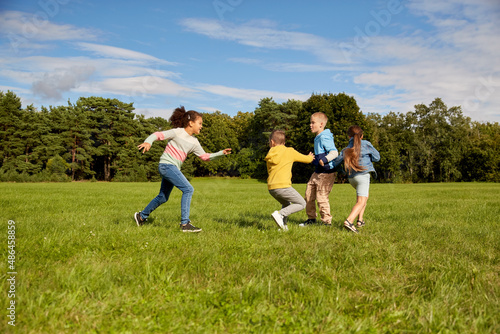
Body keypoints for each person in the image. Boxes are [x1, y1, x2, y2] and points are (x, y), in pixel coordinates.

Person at [134, 106, 232, 232]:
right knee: (188, 189)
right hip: (166, 165)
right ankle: (185, 224)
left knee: (163, 197)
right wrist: (148, 142)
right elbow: (158, 135)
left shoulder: (195, 142)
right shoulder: (178, 132)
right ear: (191, 123)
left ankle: (141, 216)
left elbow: (205, 156)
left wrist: (220, 153)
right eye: (200, 123)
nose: (201, 126)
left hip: (172, 168)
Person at [331, 125, 380, 233]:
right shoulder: (366, 144)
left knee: (364, 198)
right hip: (363, 176)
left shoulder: (345, 150)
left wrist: (342, 171)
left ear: (349, 137)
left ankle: (360, 220)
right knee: (361, 201)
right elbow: (377, 157)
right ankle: (349, 221)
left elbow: (336, 163)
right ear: (361, 136)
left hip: (352, 178)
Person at [265, 130, 314, 230]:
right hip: (283, 186)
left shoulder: (270, 155)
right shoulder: (289, 151)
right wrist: (310, 157)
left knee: (286, 204)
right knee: (301, 203)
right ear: (284, 142)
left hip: (272, 188)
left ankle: (283, 227)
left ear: (272, 142)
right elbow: (307, 160)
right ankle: (280, 214)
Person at [302, 112, 338, 226]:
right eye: (310, 123)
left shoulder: (324, 136)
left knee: (321, 196)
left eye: (313, 123)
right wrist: (313, 159)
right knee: (309, 194)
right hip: (318, 171)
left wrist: (325, 159)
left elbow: (334, 152)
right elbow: (320, 156)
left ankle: (326, 222)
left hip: (327, 172)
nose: (310, 125)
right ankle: (311, 219)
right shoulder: (317, 137)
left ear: (321, 124)